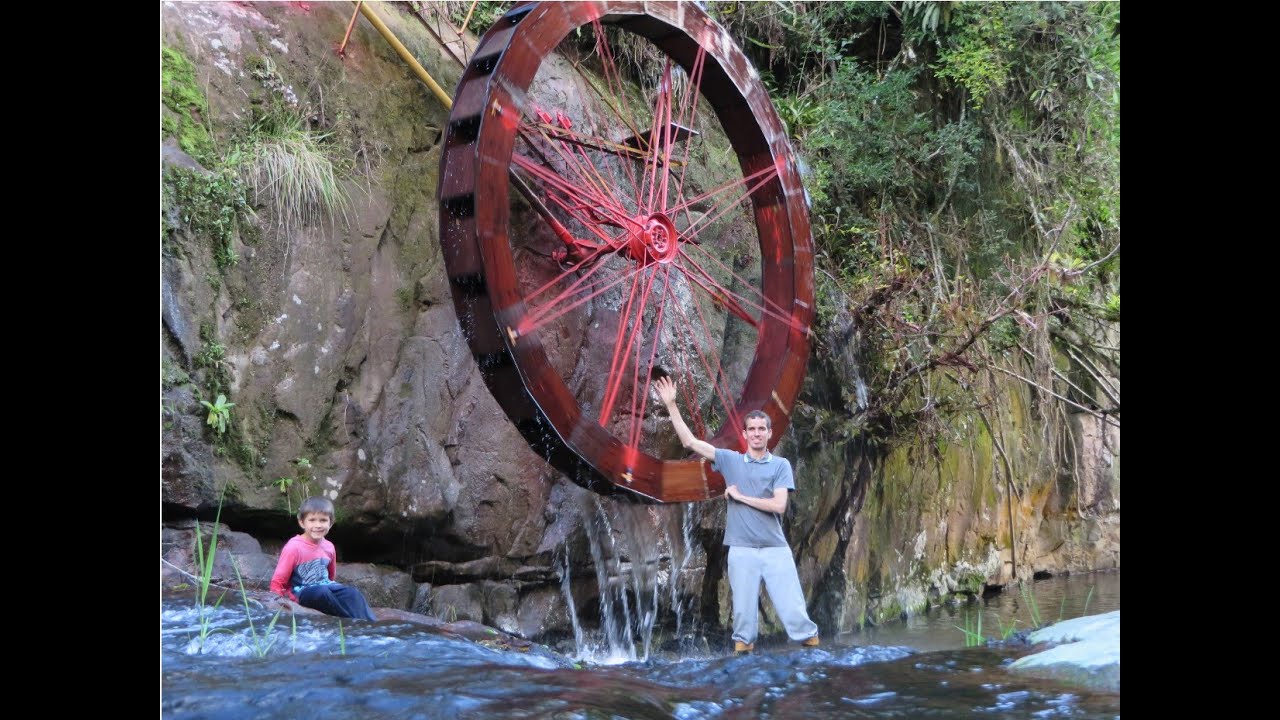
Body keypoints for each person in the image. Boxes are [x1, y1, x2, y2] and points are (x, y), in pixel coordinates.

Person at [655, 375, 819, 653]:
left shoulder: (781, 466)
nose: (756, 433)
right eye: (751, 429)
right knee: (743, 625)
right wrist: (671, 404)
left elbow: (779, 506)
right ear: (744, 435)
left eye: (761, 429)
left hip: (774, 549)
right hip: (741, 550)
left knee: (797, 617)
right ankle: (744, 678)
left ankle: (814, 666)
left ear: (769, 433)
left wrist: (740, 497)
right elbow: (690, 442)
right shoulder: (729, 460)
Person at [269, 496, 377, 621]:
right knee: (322, 593)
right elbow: (279, 579)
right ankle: (348, 620)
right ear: (302, 522)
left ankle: (371, 623)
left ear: (331, 523)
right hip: (303, 591)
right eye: (312, 520)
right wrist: (277, 599)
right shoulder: (294, 547)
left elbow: (331, 576)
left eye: (323, 520)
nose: (318, 525)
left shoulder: (329, 547)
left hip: (325, 586)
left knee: (353, 593)